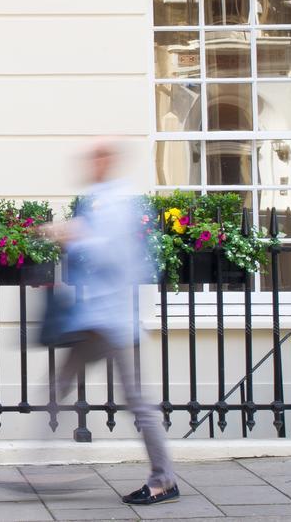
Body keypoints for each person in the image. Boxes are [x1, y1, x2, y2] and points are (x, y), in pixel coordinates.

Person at [45, 139, 179, 506]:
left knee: (137, 401)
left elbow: (119, 255)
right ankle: (38, 466)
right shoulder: (97, 198)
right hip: (92, 317)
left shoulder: (120, 201)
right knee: (56, 387)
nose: (93, 163)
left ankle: (163, 478)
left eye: (99, 157)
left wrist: (76, 236)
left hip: (115, 320)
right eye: (92, 158)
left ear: (111, 161)